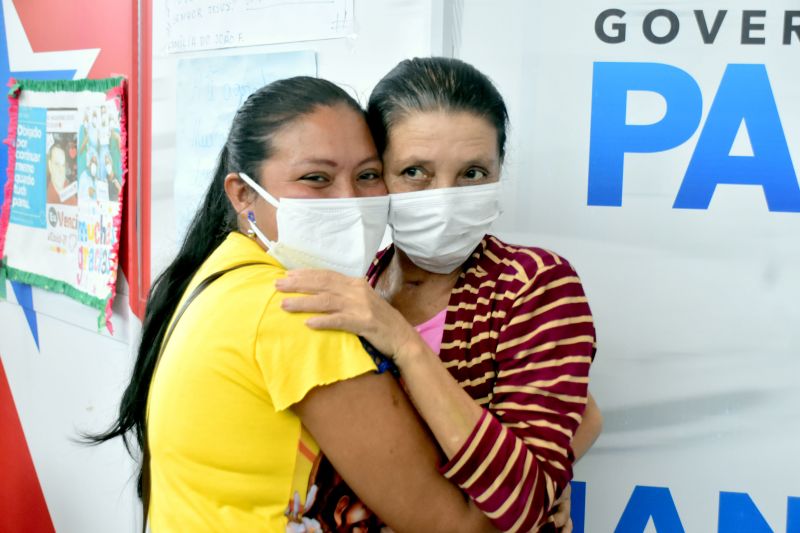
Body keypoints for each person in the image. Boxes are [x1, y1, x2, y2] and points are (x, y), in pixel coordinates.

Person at [87, 76, 496, 533]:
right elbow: (458, 526)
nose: (348, 200)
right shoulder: (300, 311)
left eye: (366, 176)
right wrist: (543, 480)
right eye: (316, 179)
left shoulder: (223, 274)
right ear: (243, 195)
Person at [277, 57, 600, 532]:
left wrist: (404, 344)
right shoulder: (357, 282)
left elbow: (525, 503)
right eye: (415, 171)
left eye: (472, 173)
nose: (444, 197)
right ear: (376, 175)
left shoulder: (533, 284)